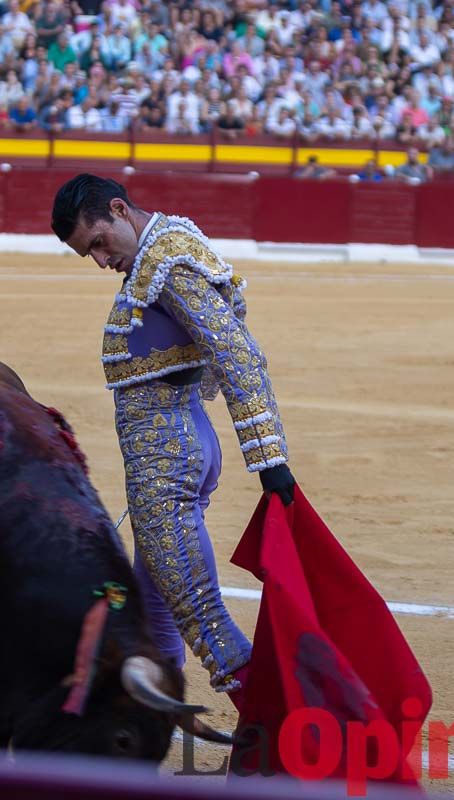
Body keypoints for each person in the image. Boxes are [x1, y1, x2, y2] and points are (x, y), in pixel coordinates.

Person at [50, 174, 296, 702]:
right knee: (152, 602)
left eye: (98, 242)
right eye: (86, 254)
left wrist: (268, 456)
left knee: (202, 617)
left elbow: (235, 350)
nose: (99, 261)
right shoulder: (165, 248)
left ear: (119, 208)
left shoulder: (166, 263)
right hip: (184, 443)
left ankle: (281, 742)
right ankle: (155, 719)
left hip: (167, 460)